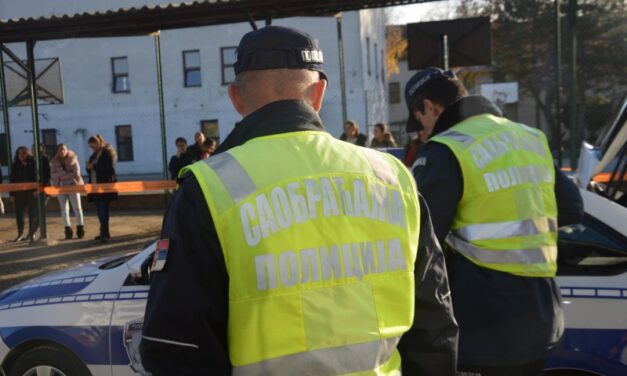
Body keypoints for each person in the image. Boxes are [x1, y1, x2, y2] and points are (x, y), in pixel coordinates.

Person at [141, 26, 458, 376]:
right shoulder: (393, 178)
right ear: (319, 93)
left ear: (236, 97)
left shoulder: (209, 188)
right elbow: (435, 329)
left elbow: (177, 349)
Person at [404, 67, 584, 376]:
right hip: (541, 318)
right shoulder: (529, 137)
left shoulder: (446, 149)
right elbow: (571, 207)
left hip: (482, 327)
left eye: (420, 120)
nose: (422, 131)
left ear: (430, 107)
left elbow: (418, 239)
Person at [86, 135, 118, 243]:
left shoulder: (107, 153)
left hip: (105, 187)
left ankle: (104, 234)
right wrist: (89, 168)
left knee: (103, 210)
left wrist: (93, 167)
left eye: (93, 145)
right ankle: (104, 232)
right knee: (100, 211)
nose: (92, 148)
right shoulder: (94, 155)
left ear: (99, 142)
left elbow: (108, 168)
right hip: (95, 187)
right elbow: (91, 170)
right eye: (91, 146)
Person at [51, 144, 85, 240]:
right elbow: (52, 175)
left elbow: (76, 173)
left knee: (77, 208)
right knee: (64, 209)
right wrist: (64, 173)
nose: (62, 151)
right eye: (60, 150)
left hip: (73, 186)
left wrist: (62, 176)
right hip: (60, 187)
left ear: (67, 150)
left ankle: (80, 228)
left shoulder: (73, 158)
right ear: (57, 151)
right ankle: (67, 230)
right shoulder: (54, 162)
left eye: (63, 149)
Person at [9, 146, 39, 242]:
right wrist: (11, 194)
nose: (21, 155)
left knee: (32, 213)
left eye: (24, 153)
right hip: (18, 193)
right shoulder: (15, 166)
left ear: (28, 154)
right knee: (19, 214)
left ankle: (31, 234)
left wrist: (36, 190)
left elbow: (36, 177)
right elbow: (12, 181)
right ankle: (20, 234)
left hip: (31, 193)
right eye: (19, 153)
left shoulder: (33, 164)